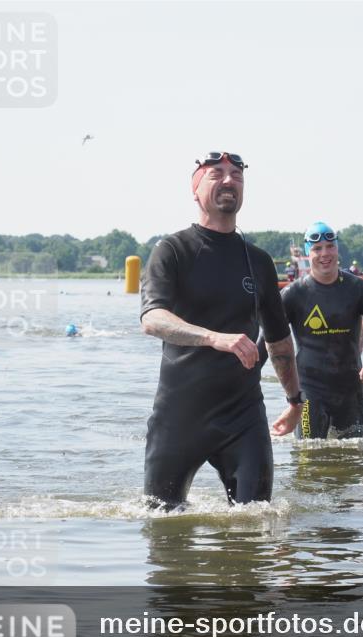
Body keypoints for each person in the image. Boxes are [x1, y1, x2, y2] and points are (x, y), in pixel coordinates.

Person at [140, 151, 302, 509]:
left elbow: (279, 343)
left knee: (255, 521)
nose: (229, 181)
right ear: (195, 190)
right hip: (179, 416)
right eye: (216, 174)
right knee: (163, 530)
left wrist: (294, 402)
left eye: (237, 176)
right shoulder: (172, 251)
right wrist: (214, 337)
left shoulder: (258, 262)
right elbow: (153, 319)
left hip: (243, 417)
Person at [276, 222, 363, 439]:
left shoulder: (358, 288)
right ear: (307, 253)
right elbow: (268, 342)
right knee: (307, 462)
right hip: (308, 391)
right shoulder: (292, 294)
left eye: (330, 246)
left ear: (337, 249)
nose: (325, 254)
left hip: (350, 390)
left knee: (358, 460)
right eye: (317, 249)